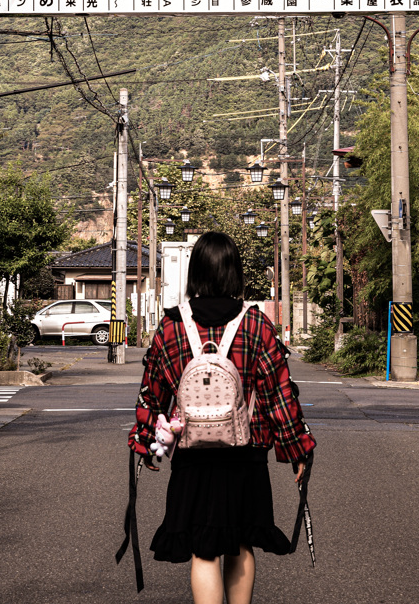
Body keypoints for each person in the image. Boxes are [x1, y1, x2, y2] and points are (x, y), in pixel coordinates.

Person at [128, 231, 316, 604]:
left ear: (194, 272)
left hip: (193, 453)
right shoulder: (256, 324)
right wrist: (297, 449)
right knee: (241, 541)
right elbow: (280, 393)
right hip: (246, 451)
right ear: (235, 273)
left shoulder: (171, 326)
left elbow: (153, 391)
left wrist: (145, 442)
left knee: (203, 547)